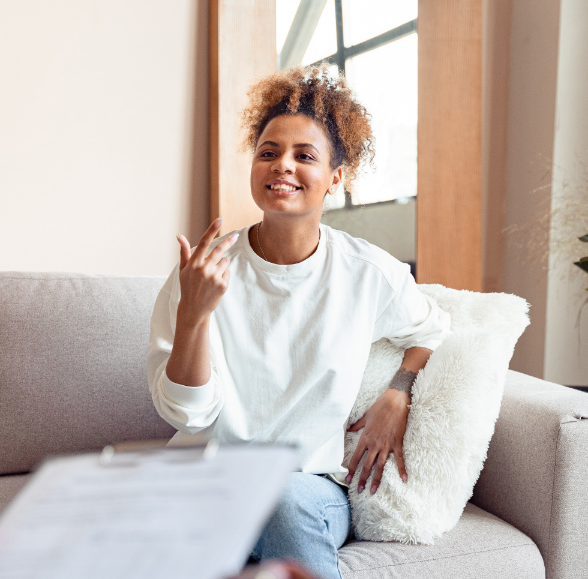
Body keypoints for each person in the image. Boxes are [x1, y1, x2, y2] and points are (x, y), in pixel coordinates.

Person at [147, 65, 451, 579]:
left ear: (336, 177)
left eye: (304, 156)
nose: (282, 165)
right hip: (208, 481)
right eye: (268, 152)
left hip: (304, 487)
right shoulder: (202, 274)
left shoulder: (367, 272)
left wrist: (397, 393)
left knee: (281, 499)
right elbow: (188, 416)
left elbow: (431, 330)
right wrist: (194, 316)